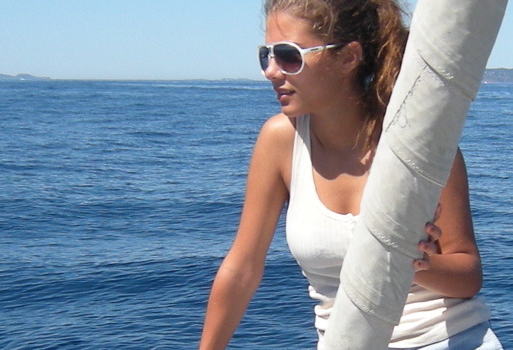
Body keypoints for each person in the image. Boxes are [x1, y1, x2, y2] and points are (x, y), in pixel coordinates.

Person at [199, 0, 502, 349]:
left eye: (288, 55)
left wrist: (413, 259)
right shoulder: (280, 141)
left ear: (347, 57)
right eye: (265, 55)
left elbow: (468, 276)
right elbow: (242, 268)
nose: (270, 70)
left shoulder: (421, 145)